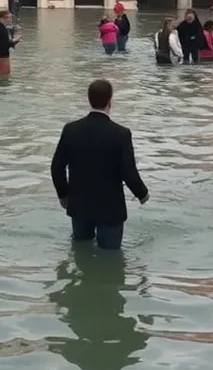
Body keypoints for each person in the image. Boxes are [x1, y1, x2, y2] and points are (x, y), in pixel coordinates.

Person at [50, 78, 149, 251]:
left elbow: (56, 167)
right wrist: (142, 194)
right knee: (111, 257)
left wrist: (64, 196)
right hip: (110, 210)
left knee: (80, 251)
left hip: (79, 207)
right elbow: (128, 171)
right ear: (110, 102)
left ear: (88, 100)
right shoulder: (121, 134)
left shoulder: (71, 130)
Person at [0, 9, 21, 75]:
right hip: (2, 58)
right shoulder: (1, 29)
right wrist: (15, 41)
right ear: (4, 18)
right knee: (5, 78)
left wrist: (12, 41)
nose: (10, 20)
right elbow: (5, 45)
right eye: (9, 18)